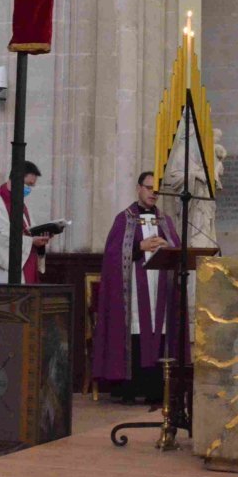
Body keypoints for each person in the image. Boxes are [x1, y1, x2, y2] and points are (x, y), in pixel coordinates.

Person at [93, 171, 182, 405]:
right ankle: (130, 387)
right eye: (149, 187)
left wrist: (168, 245)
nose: (153, 193)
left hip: (159, 288)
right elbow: (111, 255)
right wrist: (138, 246)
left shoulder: (165, 220)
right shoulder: (125, 219)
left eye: (156, 189)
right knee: (136, 332)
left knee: (159, 331)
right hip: (133, 287)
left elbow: (178, 251)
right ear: (138, 188)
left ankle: (157, 390)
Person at [0, 161, 50, 284]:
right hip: (1, 274)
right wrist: (31, 241)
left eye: (32, 186)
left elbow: (30, 231)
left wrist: (41, 237)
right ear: (15, 179)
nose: (29, 189)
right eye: (28, 184)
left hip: (25, 268)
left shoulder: (22, 206)